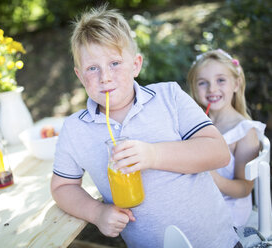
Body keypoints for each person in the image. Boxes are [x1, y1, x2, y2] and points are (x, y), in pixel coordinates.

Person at [51, 5, 241, 248]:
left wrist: (153, 154)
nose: (105, 77)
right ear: (80, 76)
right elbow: (62, 186)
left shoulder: (169, 97)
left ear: (136, 65)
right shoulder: (75, 129)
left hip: (217, 242)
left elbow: (218, 153)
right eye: (92, 68)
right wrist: (97, 213)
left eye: (115, 63)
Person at [187, 49, 266, 227]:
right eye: (202, 83)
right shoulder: (193, 124)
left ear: (236, 84)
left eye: (220, 80)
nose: (212, 88)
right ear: (194, 87)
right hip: (199, 202)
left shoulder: (244, 131)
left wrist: (212, 176)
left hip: (228, 210)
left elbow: (244, 188)